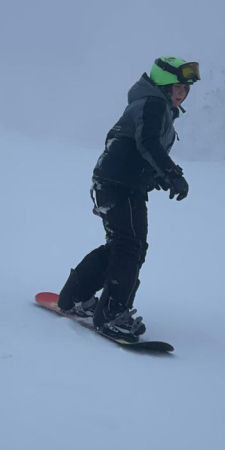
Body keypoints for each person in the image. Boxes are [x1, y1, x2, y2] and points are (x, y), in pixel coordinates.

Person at [56, 56, 200, 342]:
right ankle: (111, 315)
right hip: (120, 185)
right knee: (130, 248)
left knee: (123, 245)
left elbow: (135, 144)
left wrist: (157, 175)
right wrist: (171, 173)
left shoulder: (150, 103)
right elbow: (147, 143)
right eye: (177, 86)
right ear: (163, 84)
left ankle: (75, 298)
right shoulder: (154, 103)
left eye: (186, 88)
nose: (182, 93)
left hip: (115, 182)